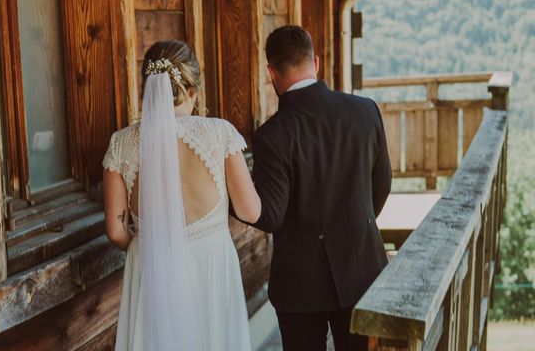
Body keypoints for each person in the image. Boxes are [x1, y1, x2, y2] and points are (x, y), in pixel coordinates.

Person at [102, 40, 260, 351]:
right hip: (210, 264)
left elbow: (115, 230)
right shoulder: (219, 134)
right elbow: (251, 211)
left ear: (148, 89)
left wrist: (150, 246)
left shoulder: (121, 144)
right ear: (192, 92)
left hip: (152, 267)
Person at [249, 25, 392, 351]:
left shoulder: (271, 136)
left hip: (300, 284)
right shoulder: (365, 110)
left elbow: (271, 214)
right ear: (315, 61)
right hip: (361, 270)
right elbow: (381, 187)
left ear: (271, 71)